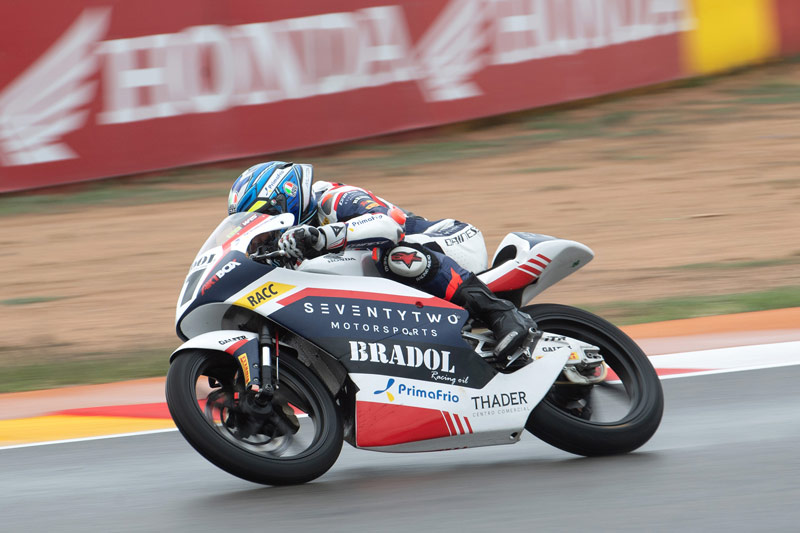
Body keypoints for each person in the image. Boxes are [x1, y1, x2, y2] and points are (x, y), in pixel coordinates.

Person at [227, 161, 536, 367]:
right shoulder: (288, 252)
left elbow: (389, 227)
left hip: (445, 240)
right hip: (403, 290)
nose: (264, 237)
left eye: (265, 222)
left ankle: (502, 314)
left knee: (392, 256)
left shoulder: (332, 197)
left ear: (285, 200)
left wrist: (321, 237)